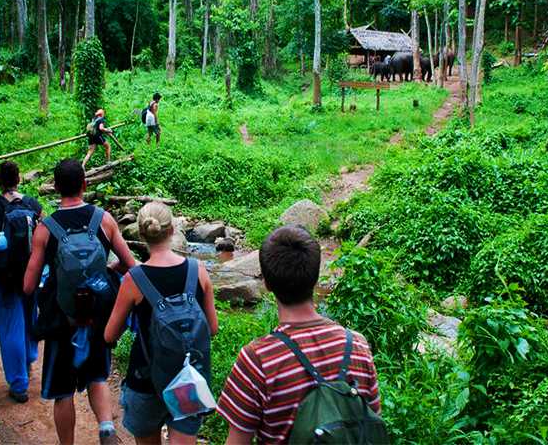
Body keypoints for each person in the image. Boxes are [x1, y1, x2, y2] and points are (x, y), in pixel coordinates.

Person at [217, 226, 382, 444]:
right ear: (315, 278)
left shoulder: (257, 359)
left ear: (266, 283)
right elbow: (373, 422)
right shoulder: (357, 345)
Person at [24, 158, 138, 445]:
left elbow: (28, 285)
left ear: (56, 188)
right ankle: (106, 429)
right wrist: (105, 274)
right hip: (96, 316)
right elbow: (130, 264)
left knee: (63, 393)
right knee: (97, 376)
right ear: (85, 184)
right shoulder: (104, 219)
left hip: (63, 320)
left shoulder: (46, 228)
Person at [105, 202, 219, 445]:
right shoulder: (197, 270)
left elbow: (110, 334)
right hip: (188, 377)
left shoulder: (133, 279)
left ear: (141, 233)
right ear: (172, 230)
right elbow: (213, 328)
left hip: (145, 378)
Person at [0, 161, 42, 403]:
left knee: (10, 327)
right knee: (28, 318)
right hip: (30, 274)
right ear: (19, 179)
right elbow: (44, 237)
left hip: (4, 277)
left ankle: (18, 383)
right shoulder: (33, 205)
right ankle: (28, 358)